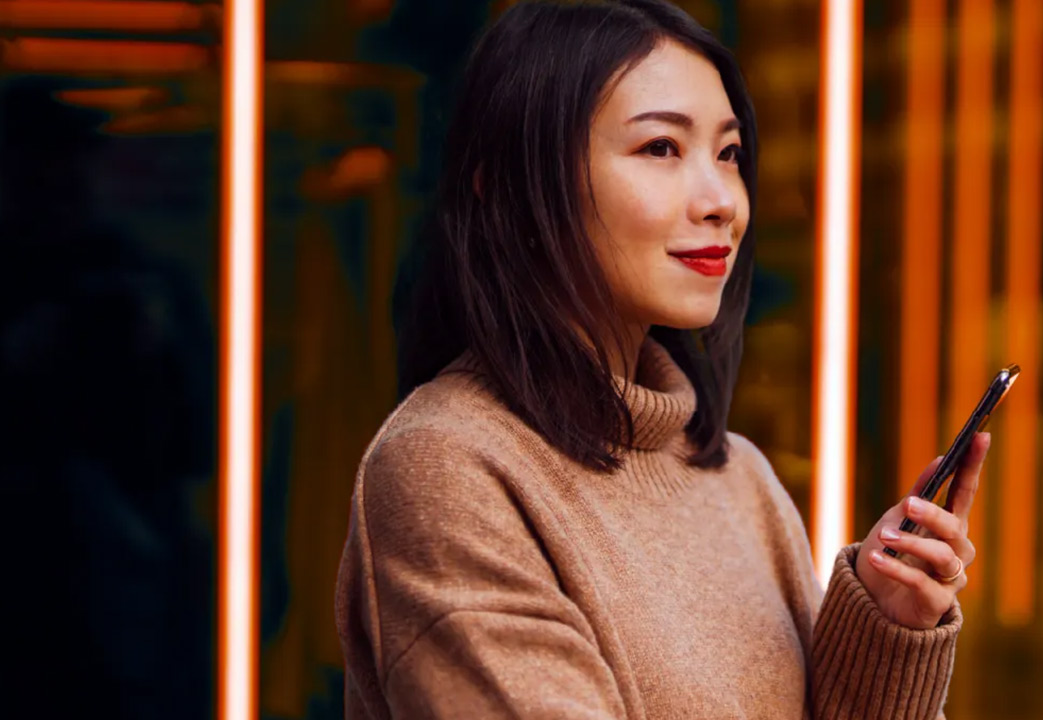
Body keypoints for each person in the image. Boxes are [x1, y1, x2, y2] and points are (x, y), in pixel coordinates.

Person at [335, 1, 988, 718]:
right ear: (513, 187)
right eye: (660, 149)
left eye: (729, 153)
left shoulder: (740, 479)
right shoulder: (445, 469)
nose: (720, 202)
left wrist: (886, 631)